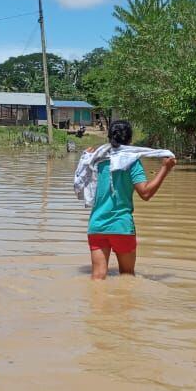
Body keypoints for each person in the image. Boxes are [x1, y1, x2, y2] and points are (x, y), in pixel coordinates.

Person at [80, 120, 176, 280]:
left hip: (97, 226)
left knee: (97, 279)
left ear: (109, 137)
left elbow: (82, 182)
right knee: (127, 278)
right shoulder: (132, 162)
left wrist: (85, 156)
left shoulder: (96, 160)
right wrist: (165, 169)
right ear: (130, 140)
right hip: (121, 226)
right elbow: (145, 193)